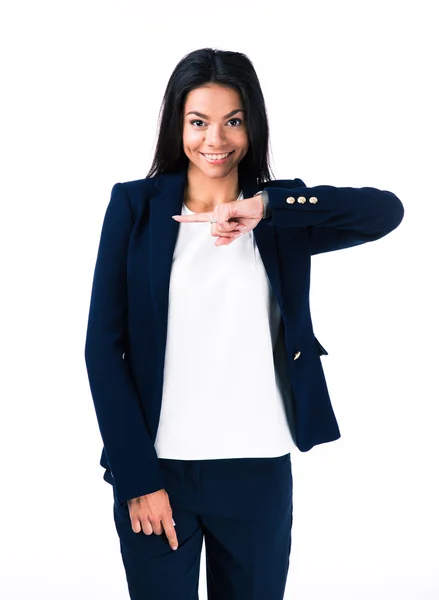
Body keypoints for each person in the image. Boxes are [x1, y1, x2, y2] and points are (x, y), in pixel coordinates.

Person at [84, 47, 404, 600]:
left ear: (252, 124)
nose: (216, 139)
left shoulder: (280, 217)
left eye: (233, 120)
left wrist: (271, 208)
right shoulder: (135, 207)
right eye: (199, 121)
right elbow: (102, 348)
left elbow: (386, 212)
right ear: (176, 125)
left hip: (258, 469)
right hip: (159, 471)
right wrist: (138, 479)